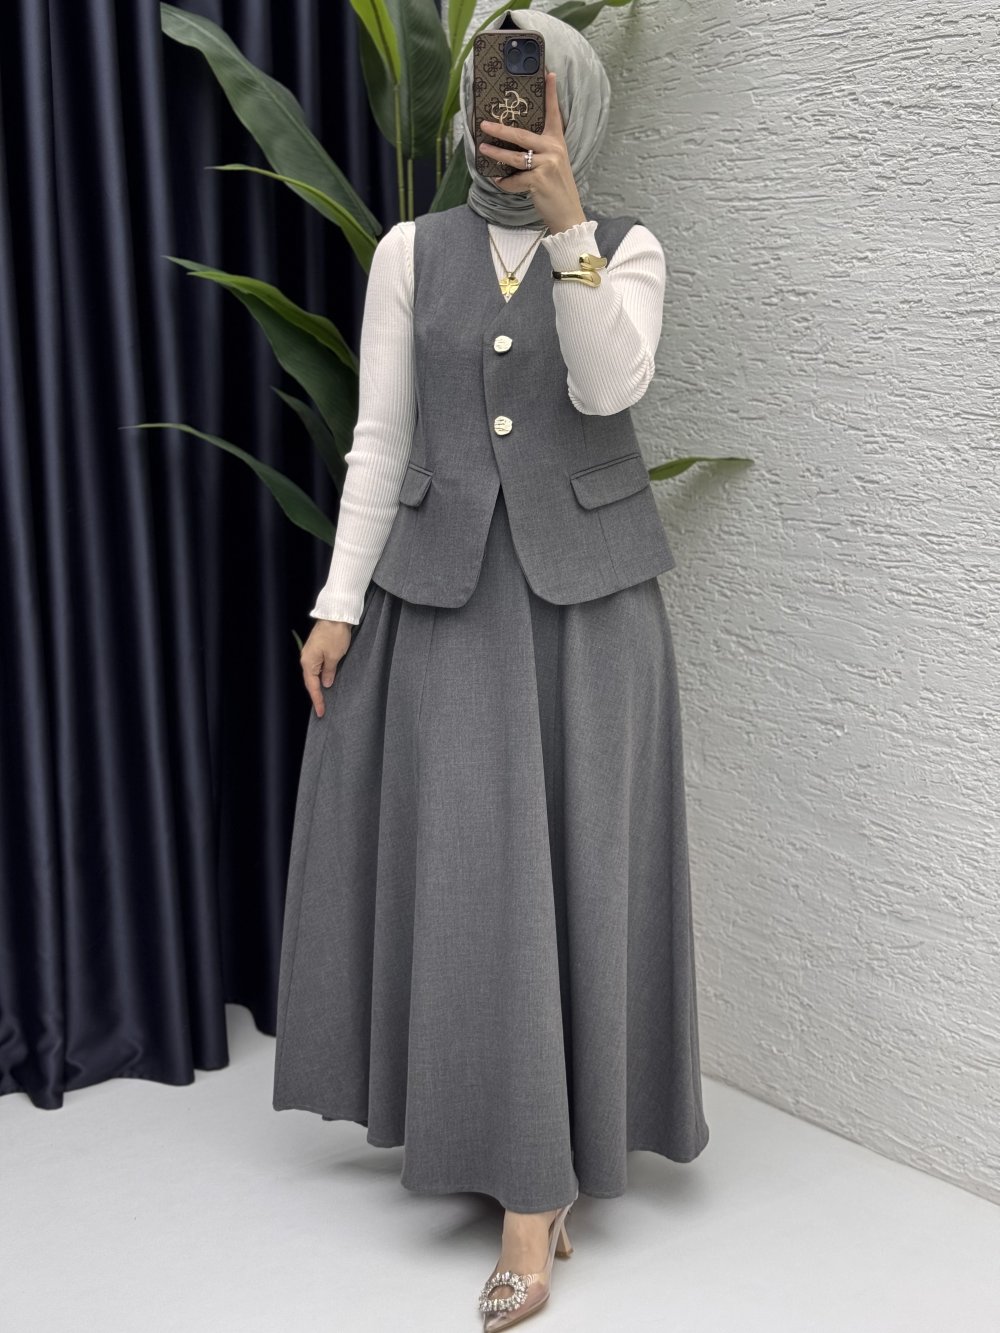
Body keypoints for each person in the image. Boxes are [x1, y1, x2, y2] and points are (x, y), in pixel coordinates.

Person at [272, 10, 709, 1329]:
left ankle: (541, 1191)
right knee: (475, 881)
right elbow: (382, 436)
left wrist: (570, 227)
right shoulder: (412, 251)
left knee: (578, 876)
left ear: (571, 104)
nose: (497, 112)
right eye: (486, 86)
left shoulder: (628, 247)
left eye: (530, 89)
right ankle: (505, 1146)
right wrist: (337, 603)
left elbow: (609, 386)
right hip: (449, 600)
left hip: (591, 614)